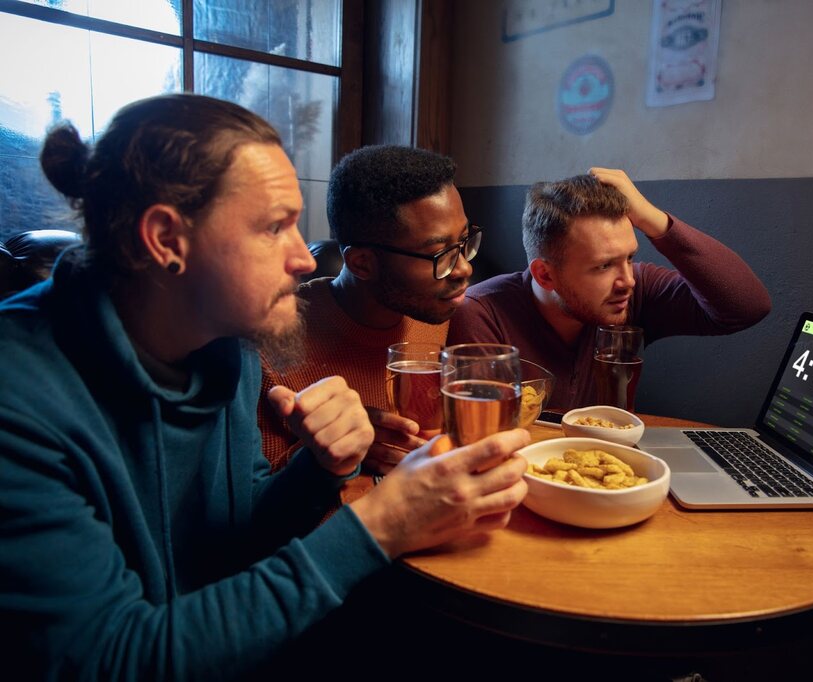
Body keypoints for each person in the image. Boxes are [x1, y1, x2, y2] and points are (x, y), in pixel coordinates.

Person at [0, 94, 528, 680]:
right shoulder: (19, 402)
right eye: (275, 226)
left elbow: (237, 535)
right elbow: (111, 659)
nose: (306, 258)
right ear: (166, 239)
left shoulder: (227, 343)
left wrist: (321, 469)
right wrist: (383, 524)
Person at [447, 168, 772, 411]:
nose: (627, 280)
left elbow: (746, 307)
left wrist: (652, 219)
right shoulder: (481, 314)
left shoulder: (636, 290)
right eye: (603, 266)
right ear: (545, 275)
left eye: (629, 258)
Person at [258, 144, 478, 477]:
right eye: (440, 254)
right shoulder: (271, 345)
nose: (463, 269)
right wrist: (334, 453)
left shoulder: (442, 315)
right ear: (362, 263)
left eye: (463, 242)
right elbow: (251, 509)